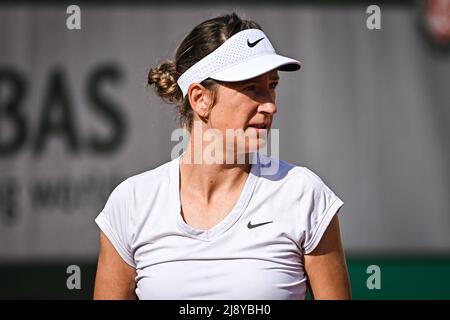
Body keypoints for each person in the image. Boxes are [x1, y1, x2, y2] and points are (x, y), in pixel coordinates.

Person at [93, 12, 351, 300]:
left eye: (273, 86)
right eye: (251, 88)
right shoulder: (130, 204)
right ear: (200, 99)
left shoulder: (305, 194)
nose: (270, 106)